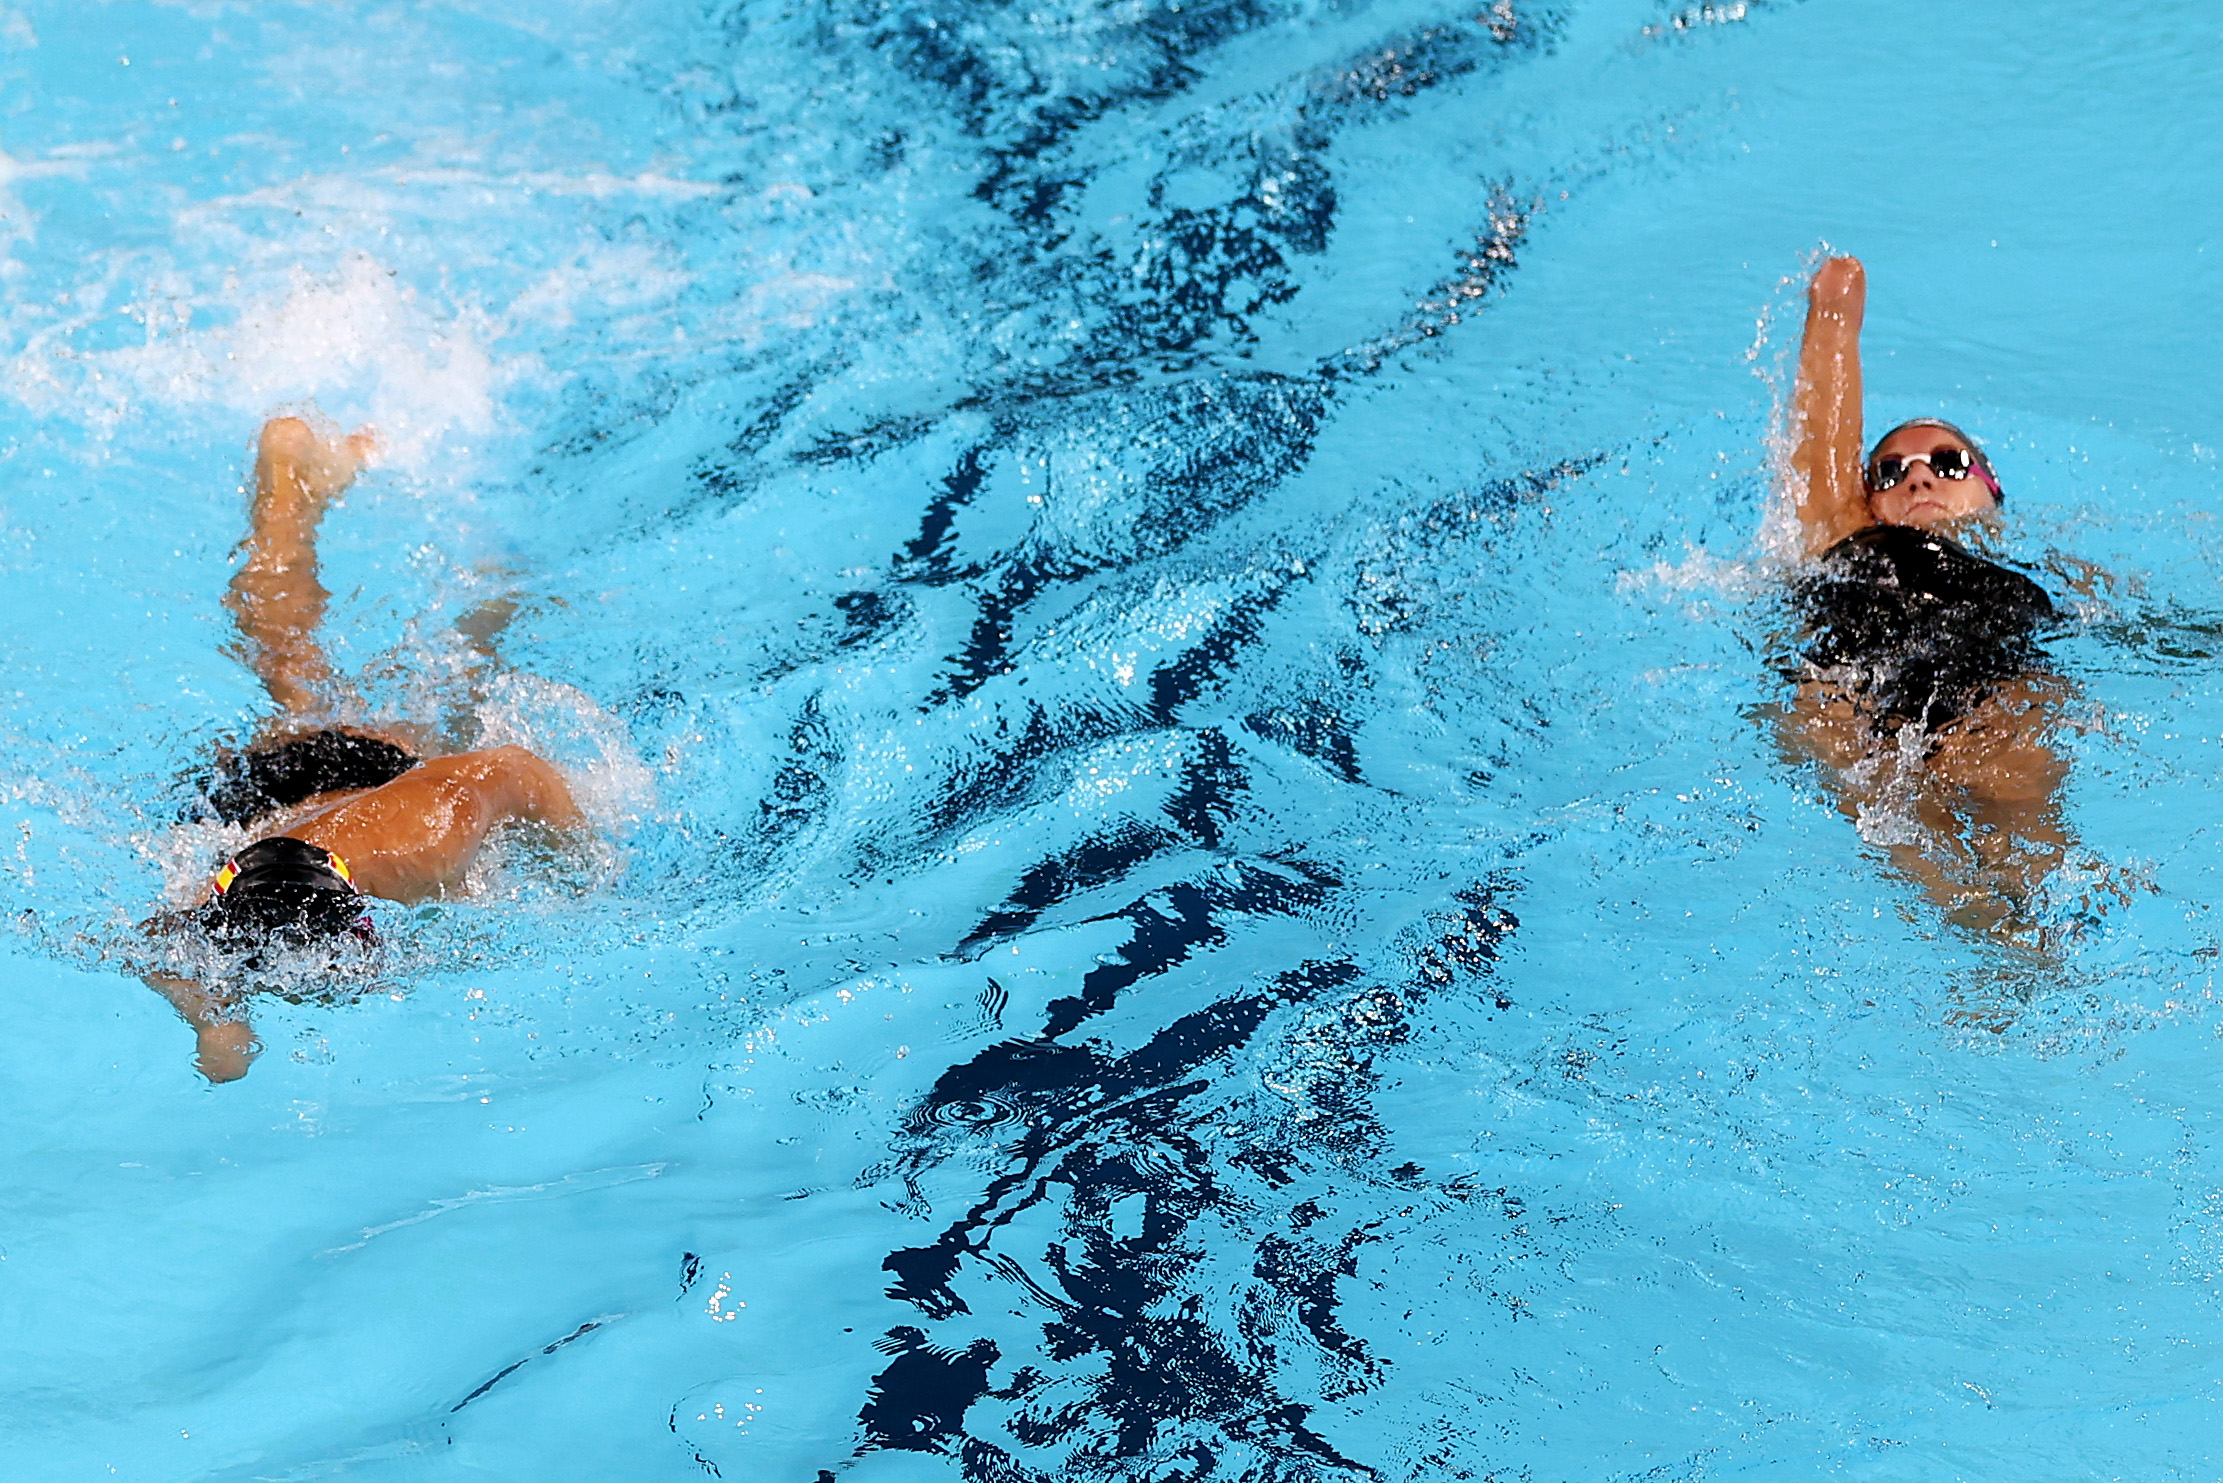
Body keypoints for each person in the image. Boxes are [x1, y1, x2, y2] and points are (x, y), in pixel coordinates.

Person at [142, 416, 582, 1083]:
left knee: (451, 694)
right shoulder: (422, 840)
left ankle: (487, 599)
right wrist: (216, 1023)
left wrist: (581, 857)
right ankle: (288, 476)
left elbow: (518, 768)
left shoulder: (428, 833)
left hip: (343, 781)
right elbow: (155, 946)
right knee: (287, 660)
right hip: (253, 801)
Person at [1775, 254, 2087, 954]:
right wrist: (1831, 319)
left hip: (1992, 691)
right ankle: (1968, 911)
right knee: (1889, 803)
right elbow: (1820, 442)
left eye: (1945, 462)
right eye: (1891, 471)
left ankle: (2041, 948)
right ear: (1866, 497)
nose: (1918, 476)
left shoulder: (2047, 569)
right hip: (1850, 687)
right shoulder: (1849, 536)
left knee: (2027, 839)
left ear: (1990, 492)